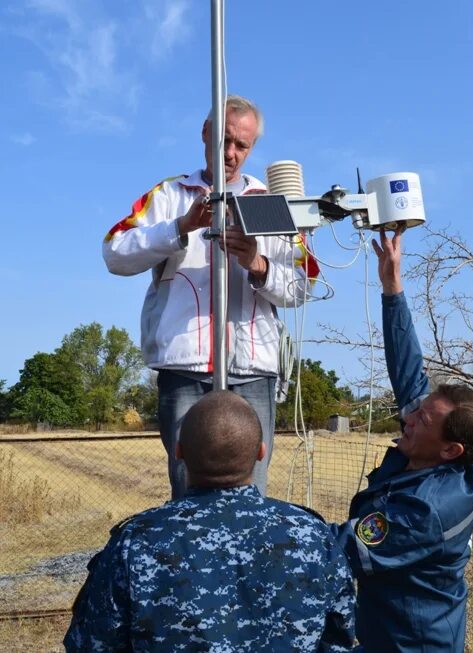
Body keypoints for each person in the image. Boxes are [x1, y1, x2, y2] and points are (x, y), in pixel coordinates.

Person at [103, 94, 318, 500]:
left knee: (250, 489)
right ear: (205, 133)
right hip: (184, 369)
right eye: (225, 140)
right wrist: (179, 228)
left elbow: (302, 285)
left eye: (242, 145)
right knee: (188, 484)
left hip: (254, 370)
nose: (232, 154)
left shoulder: (267, 202)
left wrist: (259, 265)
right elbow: (115, 252)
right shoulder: (172, 195)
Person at [64, 390, 356, 652]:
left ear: (178, 451)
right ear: (261, 452)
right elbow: (339, 637)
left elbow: (92, 643)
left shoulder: (135, 543)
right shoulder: (313, 536)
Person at [332, 228, 473, 653]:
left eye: (421, 418)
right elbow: (409, 370)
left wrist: (259, 524)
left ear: (450, 450)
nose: (408, 417)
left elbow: (342, 548)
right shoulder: (447, 454)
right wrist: (392, 286)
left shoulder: (425, 511)